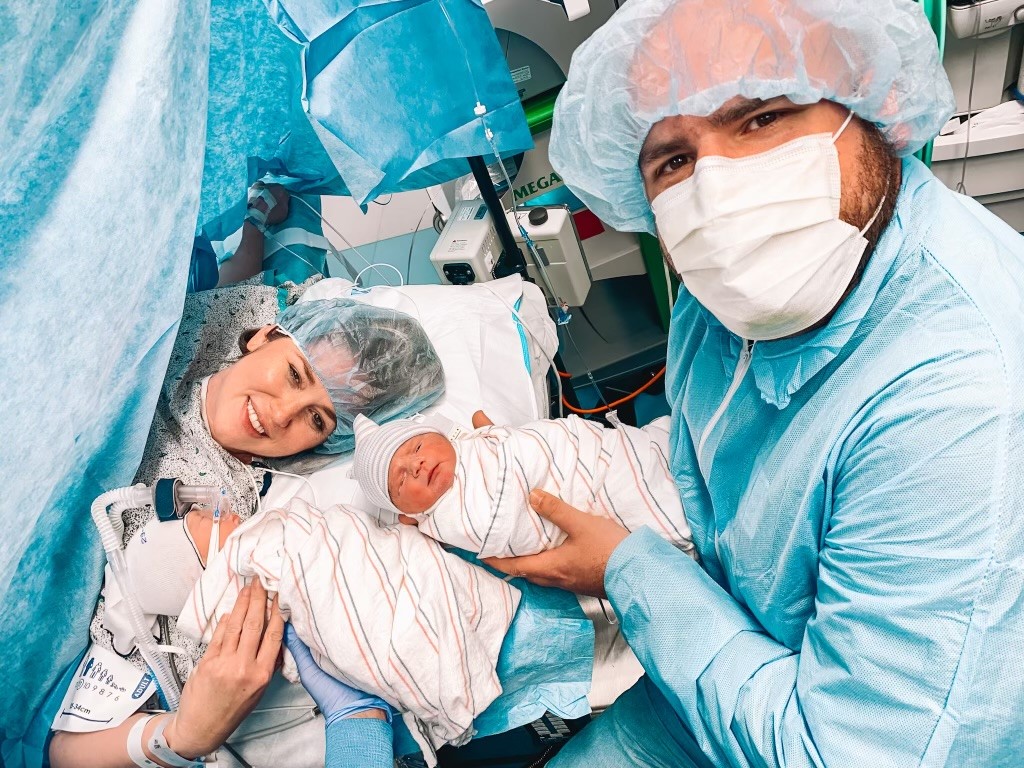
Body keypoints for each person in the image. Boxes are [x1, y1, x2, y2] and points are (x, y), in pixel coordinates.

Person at [471, 0, 1024, 766]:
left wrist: (628, 569)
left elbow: (841, 753)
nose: (718, 189)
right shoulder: (725, 293)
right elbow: (729, 461)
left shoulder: (959, 396)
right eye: (673, 159)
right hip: (732, 656)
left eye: (761, 117)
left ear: (874, 102)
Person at [49, 234, 446, 767]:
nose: (282, 415)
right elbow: (236, 274)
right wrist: (260, 215)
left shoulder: (249, 514)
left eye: (317, 420)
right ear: (262, 336)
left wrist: (177, 738)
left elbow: (69, 746)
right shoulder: (173, 337)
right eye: (294, 374)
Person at [350, 411, 693, 557]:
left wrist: (495, 437)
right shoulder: (448, 516)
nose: (416, 464)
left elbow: (525, 443)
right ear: (407, 514)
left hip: (593, 451)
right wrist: (512, 453)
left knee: (656, 446)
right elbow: (503, 524)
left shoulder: (467, 446)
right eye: (400, 481)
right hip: (592, 488)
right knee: (659, 493)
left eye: (417, 447)